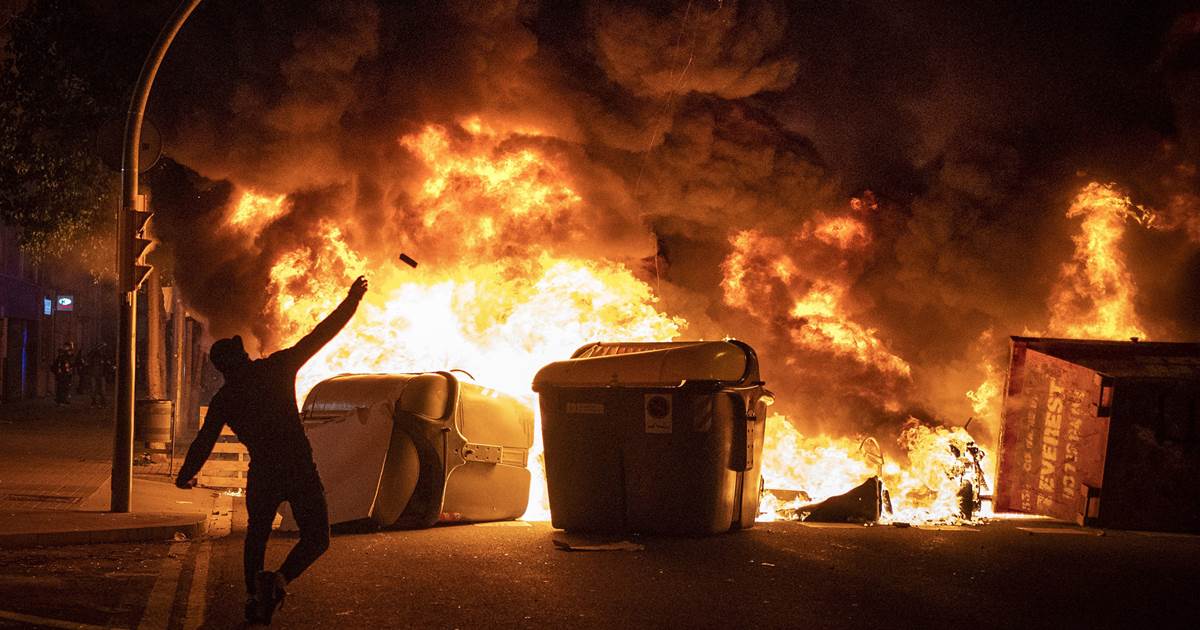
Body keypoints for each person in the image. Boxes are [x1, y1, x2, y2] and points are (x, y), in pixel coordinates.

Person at [175, 276, 368, 625]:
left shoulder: (225, 399)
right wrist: (352, 300)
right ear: (242, 356)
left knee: (257, 536)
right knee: (317, 539)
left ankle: (254, 595)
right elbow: (321, 335)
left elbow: (204, 440)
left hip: (264, 473)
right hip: (299, 468)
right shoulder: (277, 368)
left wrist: (186, 474)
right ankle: (279, 580)